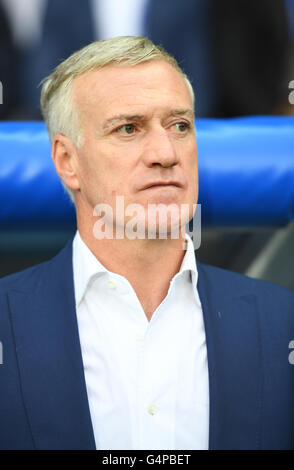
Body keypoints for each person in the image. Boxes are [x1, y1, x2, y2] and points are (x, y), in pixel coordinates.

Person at [0, 36, 293, 450]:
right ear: (67, 161)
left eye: (179, 125)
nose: (165, 153)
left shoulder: (284, 323)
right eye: (128, 128)